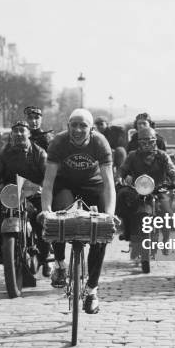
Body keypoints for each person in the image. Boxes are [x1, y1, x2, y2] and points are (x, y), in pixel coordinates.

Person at [40, 108, 117, 314]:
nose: (78, 129)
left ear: (91, 129)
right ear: (68, 127)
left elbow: (109, 184)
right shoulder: (58, 142)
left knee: (101, 233)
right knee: (58, 216)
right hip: (65, 184)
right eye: (74, 124)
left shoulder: (100, 143)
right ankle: (59, 263)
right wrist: (46, 210)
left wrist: (109, 214)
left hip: (94, 185)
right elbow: (48, 183)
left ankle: (92, 290)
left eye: (83, 125)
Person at [0, 121, 50, 276]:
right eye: (15, 131)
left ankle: (45, 256)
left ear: (28, 134)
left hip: (33, 194)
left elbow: (48, 176)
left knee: (42, 220)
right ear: (11, 135)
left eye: (22, 130)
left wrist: (42, 188)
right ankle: (0, 250)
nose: (18, 134)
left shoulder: (39, 153)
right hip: (10, 194)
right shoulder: (5, 153)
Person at [115, 127, 175, 241]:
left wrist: (173, 180)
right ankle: (127, 230)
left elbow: (172, 170)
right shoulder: (132, 155)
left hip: (159, 190)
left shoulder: (162, 155)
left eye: (151, 141)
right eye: (143, 142)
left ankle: (166, 238)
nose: (147, 144)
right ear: (139, 142)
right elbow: (122, 169)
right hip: (137, 190)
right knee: (123, 198)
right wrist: (119, 178)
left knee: (166, 211)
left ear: (155, 141)